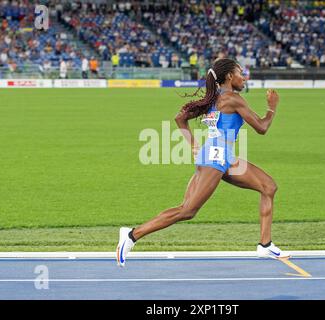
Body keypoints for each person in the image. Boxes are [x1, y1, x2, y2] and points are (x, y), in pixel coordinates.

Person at [116, 58, 289, 267]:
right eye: (240, 73)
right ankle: (132, 235)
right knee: (188, 210)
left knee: (268, 186)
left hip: (221, 156)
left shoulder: (213, 99)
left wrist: (195, 147)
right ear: (229, 77)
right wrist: (272, 108)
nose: (244, 77)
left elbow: (180, 118)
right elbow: (261, 128)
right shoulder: (233, 99)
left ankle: (265, 244)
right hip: (216, 156)